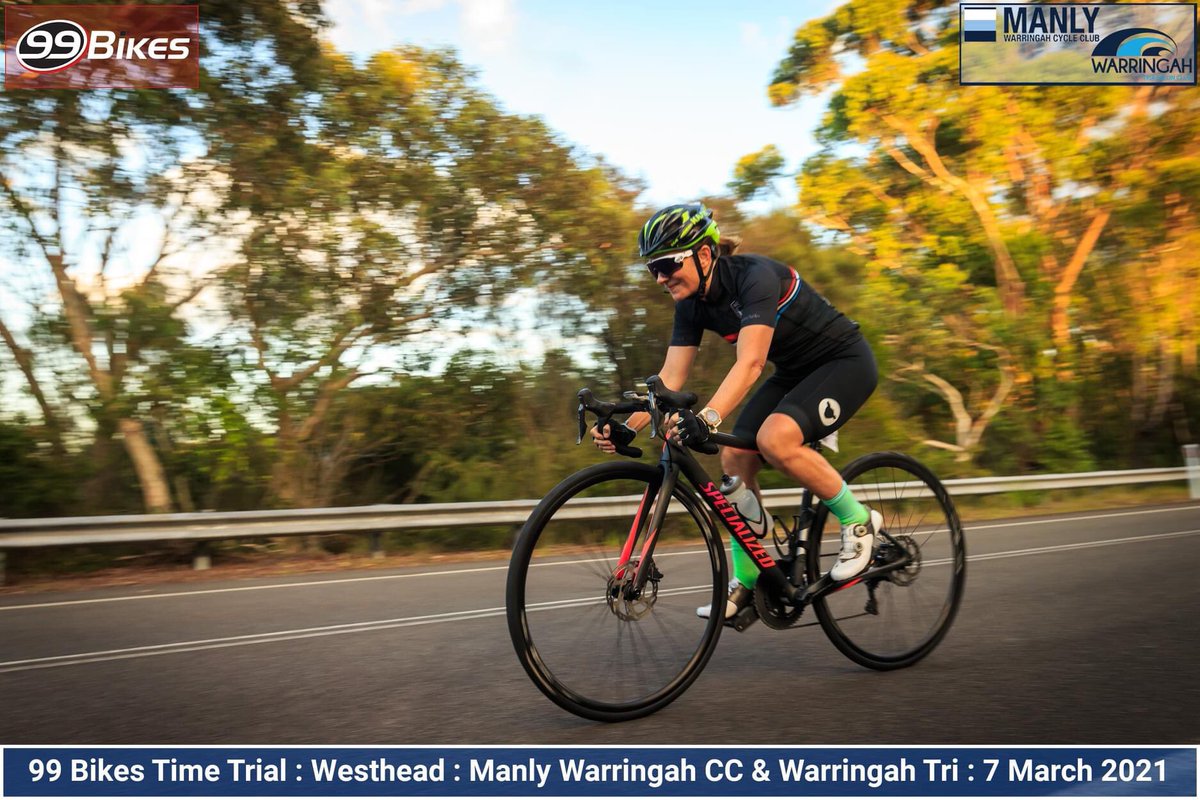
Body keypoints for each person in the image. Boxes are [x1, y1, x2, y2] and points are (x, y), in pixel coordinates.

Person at [592, 202, 882, 620]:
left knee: (774, 440)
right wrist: (627, 426)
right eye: (652, 268)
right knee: (735, 458)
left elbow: (750, 363)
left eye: (668, 263)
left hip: (843, 362)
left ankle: (858, 522)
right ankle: (749, 578)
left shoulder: (754, 277)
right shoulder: (689, 303)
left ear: (705, 253)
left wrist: (707, 418)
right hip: (796, 372)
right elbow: (670, 378)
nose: (660, 277)